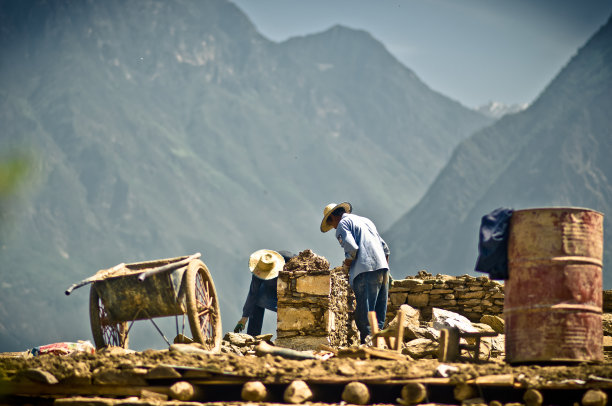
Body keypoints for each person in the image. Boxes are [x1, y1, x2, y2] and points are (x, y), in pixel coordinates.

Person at [320, 202, 390, 343]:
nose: (333, 227)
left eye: (331, 222)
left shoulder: (342, 225)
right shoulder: (366, 221)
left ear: (334, 217)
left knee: (365, 316)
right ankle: (380, 346)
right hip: (383, 269)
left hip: (365, 272)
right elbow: (386, 249)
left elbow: (351, 249)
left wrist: (346, 266)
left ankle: (368, 347)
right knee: (378, 315)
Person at [234, 249, 295, 336]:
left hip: (287, 289)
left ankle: (287, 337)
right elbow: (253, 292)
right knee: (257, 301)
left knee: (290, 308)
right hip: (269, 288)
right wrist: (244, 317)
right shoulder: (261, 267)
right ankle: (252, 337)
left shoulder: (290, 262)